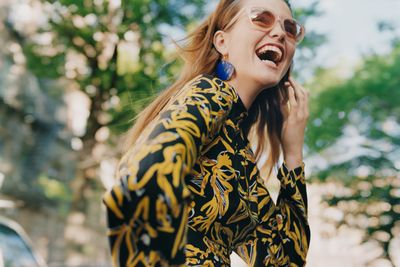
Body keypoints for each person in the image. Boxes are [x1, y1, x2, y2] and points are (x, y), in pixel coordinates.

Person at [103, 0, 311, 266]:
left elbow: (286, 261)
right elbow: (144, 178)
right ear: (222, 42)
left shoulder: (240, 159)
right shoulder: (210, 91)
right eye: (261, 18)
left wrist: (293, 153)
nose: (280, 33)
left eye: (290, 28)